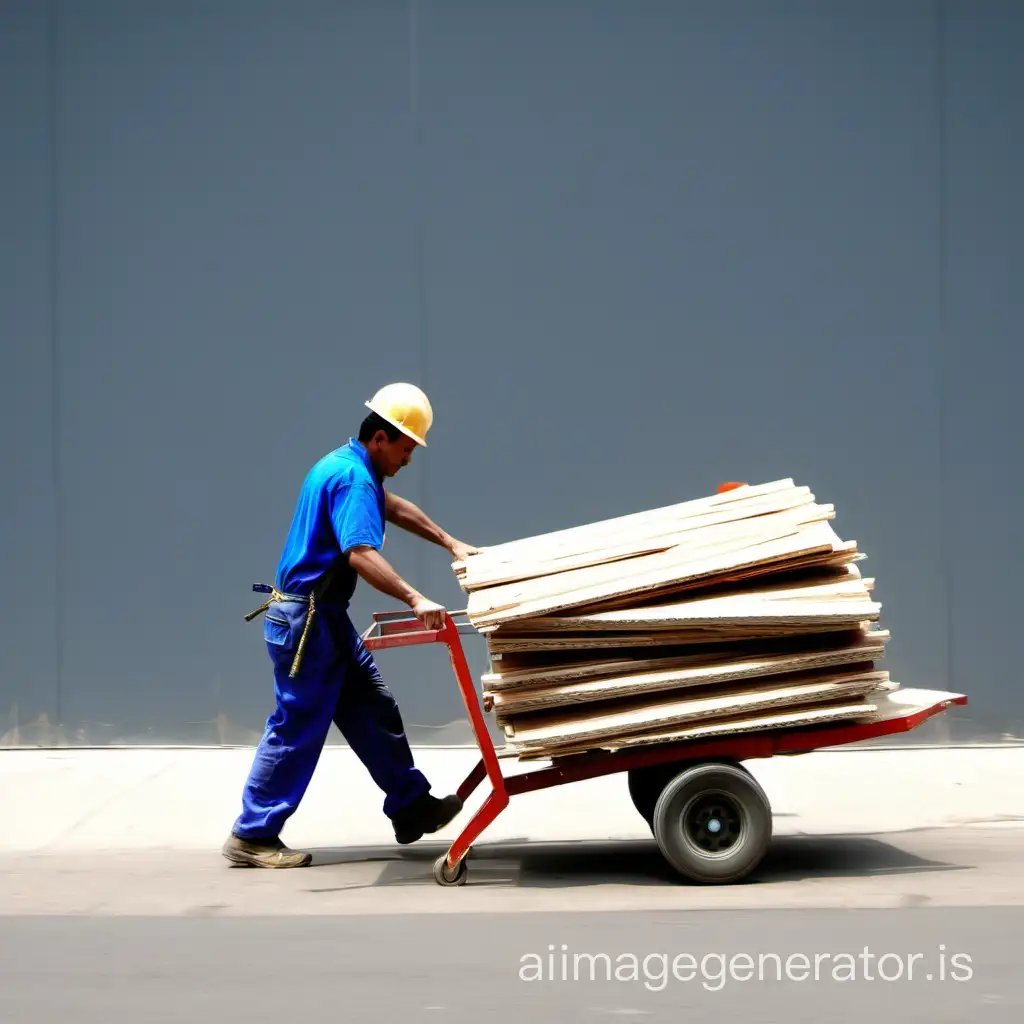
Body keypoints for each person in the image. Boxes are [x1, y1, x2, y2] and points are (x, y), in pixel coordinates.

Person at [222, 383, 480, 868]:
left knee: (373, 708)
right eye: (406, 449)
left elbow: (394, 508)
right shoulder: (354, 480)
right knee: (296, 727)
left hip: (323, 619)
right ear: (381, 438)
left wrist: (451, 543)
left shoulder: (346, 464)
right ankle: (252, 834)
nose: (408, 459)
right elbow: (360, 554)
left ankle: (410, 806)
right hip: (308, 625)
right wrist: (414, 597)